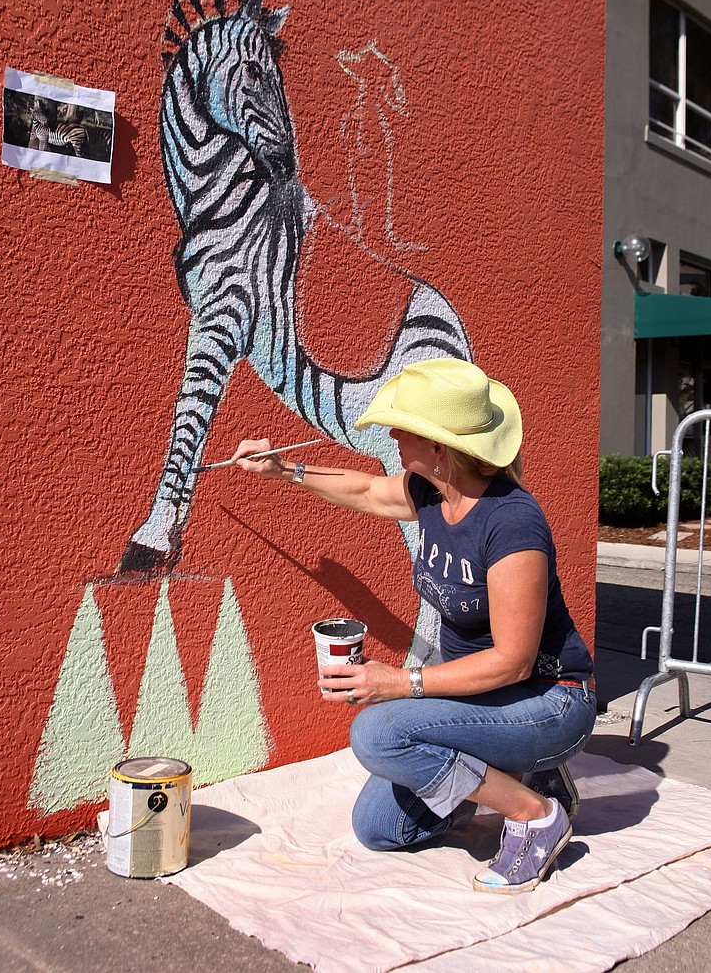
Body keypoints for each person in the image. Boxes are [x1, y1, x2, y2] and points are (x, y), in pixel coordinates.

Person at [232, 357, 596, 894]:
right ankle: (517, 770)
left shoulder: (512, 522)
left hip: (549, 698)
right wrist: (285, 470)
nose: (394, 434)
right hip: (481, 698)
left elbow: (514, 660)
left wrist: (399, 683)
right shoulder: (430, 492)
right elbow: (365, 491)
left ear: (440, 447)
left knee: (377, 732)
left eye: (406, 428)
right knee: (378, 828)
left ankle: (535, 814)